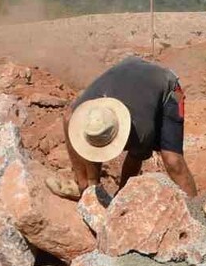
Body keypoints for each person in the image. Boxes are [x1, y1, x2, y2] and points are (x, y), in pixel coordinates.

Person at [53, 56, 198, 199]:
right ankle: (83, 185)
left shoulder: (141, 131)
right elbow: (69, 119)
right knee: (84, 130)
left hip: (167, 87)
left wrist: (121, 198)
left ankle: (195, 211)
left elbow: (133, 162)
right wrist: (88, 183)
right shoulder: (84, 112)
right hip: (127, 70)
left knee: (173, 160)